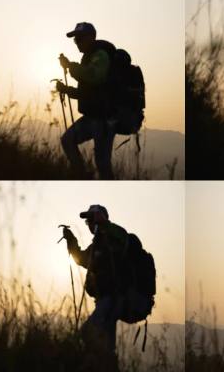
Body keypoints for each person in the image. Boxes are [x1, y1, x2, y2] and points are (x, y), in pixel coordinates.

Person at [62, 205, 128, 371]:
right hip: (103, 300)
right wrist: (71, 240)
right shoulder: (97, 245)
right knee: (107, 344)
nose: (89, 223)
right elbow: (81, 259)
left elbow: (122, 240)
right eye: (87, 221)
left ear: (101, 218)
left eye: (91, 219)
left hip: (113, 298)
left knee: (87, 332)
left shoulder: (115, 235)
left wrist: (104, 225)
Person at [56, 22, 117, 180]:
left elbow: (94, 76)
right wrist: (66, 90)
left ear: (91, 37)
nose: (77, 42)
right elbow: (87, 93)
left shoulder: (101, 55)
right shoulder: (89, 57)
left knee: (102, 164)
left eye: (80, 38)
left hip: (104, 118)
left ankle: (84, 176)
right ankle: (81, 176)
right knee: (68, 140)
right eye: (75, 39)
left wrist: (70, 66)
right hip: (93, 117)